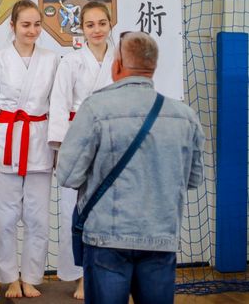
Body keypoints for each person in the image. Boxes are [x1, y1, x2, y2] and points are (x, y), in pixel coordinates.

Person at [57, 31, 205, 304]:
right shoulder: (186, 116)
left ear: (117, 66)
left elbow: (67, 174)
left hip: (106, 237)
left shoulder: (95, 108)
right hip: (161, 236)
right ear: (153, 67)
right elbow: (194, 178)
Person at [0, 0, 59, 298]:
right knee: (4, 218)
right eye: (25, 25)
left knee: (38, 218)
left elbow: (57, 105)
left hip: (39, 142)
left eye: (37, 25)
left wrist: (58, 147)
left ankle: (31, 277)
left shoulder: (51, 59)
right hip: (4, 143)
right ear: (13, 26)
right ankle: (9, 277)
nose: (32, 30)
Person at [48, 1, 115, 300]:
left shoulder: (120, 60)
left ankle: (109, 272)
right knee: (72, 211)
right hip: (77, 140)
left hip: (113, 140)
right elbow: (59, 105)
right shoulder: (71, 62)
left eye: (102, 23)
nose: (97, 30)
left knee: (110, 210)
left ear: (110, 24)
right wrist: (61, 150)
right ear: (82, 29)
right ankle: (80, 276)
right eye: (90, 25)